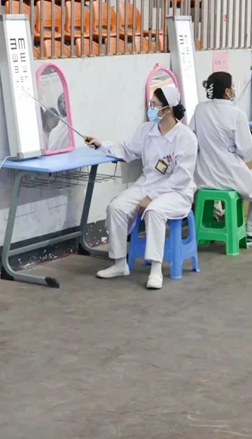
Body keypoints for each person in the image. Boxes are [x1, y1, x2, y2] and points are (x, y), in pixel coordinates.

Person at [85, 86, 198, 290]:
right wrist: (102, 145)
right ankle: (120, 263)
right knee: (117, 207)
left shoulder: (186, 138)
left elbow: (181, 178)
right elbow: (128, 149)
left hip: (177, 192)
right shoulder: (146, 130)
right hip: (147, 184)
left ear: (168, 109)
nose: (151, 109)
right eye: (151, 104)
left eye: (154, 105)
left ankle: (156, 269)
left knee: (154, 211)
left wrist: (152, 197)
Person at [189, 72, 252, 246]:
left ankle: (210, 225)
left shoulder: (200, 109)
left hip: (203, 176)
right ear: (227, 91)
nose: (233, 90)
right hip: (229, 174)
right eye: (232, 86)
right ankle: (251, 232)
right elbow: (246, 153)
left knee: (212, 196)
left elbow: (191, 140)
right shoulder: (237, 114)